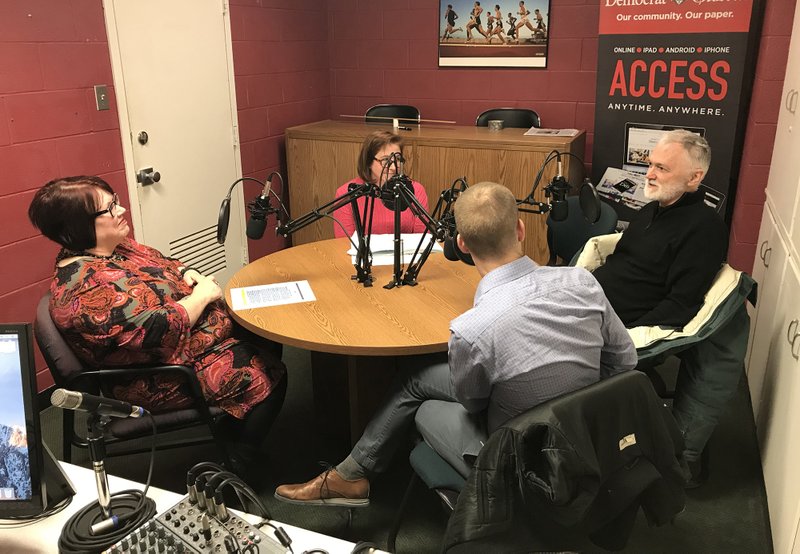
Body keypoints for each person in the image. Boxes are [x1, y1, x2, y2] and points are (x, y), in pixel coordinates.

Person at [274, 182, 637, 505]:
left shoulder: (471, 329)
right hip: (589, 437)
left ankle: (351, 477)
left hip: (516, 458)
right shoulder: (581, 282)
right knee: (421, 378)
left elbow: (473, 401)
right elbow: (625, 361)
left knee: (421, 400)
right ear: (521, 228)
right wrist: (576, 392)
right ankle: (353, 475)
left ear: (461, 244)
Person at [28, 176, 287, 470]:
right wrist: (201, 297)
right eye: (110, 208)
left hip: (189, 345)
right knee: (267, 372)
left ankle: (237, 420)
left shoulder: (116, 248)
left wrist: (189, 272)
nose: (122, 210)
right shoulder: (89, 290)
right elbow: (152, 332)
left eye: (115, 201)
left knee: (267, 332)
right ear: (79, 225)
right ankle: (238, 462)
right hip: (158, 377)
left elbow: (166, 262)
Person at [591, 130, 733, 486]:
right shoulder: (652, 210)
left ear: (694, 178)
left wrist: (626, 340)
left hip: (617, 326)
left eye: (662, 168)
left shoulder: (704, 229)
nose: (649, 174)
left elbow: (678, 306)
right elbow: (624, 266)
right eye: (650, 165)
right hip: (594, 305)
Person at [333, 130, 429, 238]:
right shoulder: (346, 193)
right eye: (385, 160)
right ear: (368, 162)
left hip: (408, 255)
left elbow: (423, 239)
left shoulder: (415, 189)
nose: (393, 167)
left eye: (397, 159)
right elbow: (344, 243)